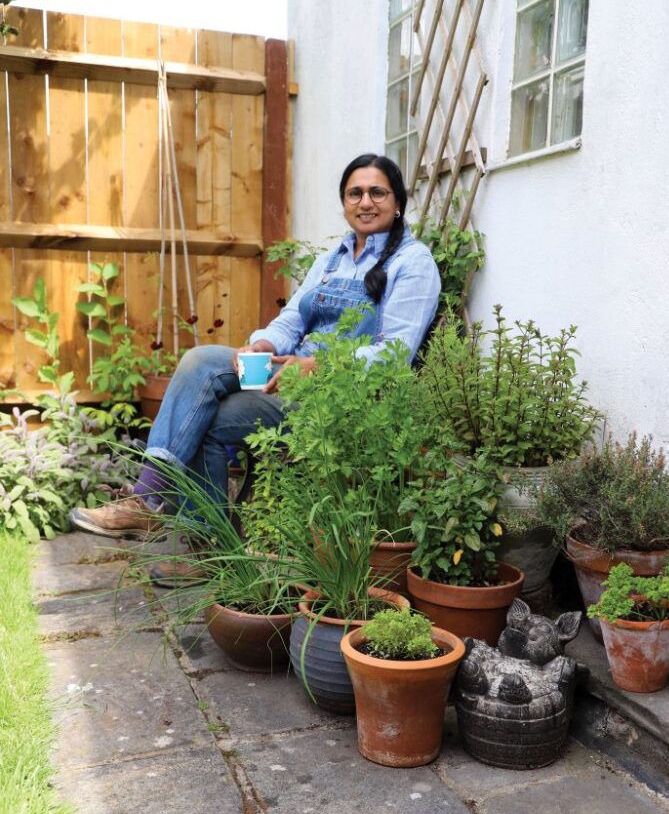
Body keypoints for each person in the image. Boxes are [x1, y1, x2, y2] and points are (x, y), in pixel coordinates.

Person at [69, 153, 441, 540]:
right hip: (288, 374)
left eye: (377, 192)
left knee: (205, 416)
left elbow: (395, 354)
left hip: (340, 397)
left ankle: (198, 539)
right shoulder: (333, 260)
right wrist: (263, 342)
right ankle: (152, 500)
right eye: (355, 193)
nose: (365, 202)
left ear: (397, 202)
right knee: (200, 360)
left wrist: (319, 366)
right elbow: (293, 318)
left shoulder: (413, 263)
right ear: (345, 204)